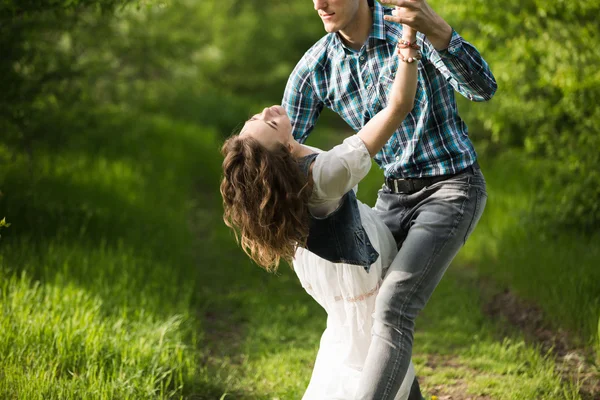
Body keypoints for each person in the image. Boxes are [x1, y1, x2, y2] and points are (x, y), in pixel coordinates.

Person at [282, 0, 496, 398]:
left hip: (452, 187)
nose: (319, 4)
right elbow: (280, 145)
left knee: (393, 309)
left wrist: (437, 29)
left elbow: (483, 89)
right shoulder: (316, 66)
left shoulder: (409, 26)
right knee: (368, 315)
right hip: (392, 195)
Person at [221, 21, 422, 400]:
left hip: (334, 278)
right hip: (356, 279)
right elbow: (398, 108)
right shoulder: (326, 176)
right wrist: (408, 44)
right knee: (377, 366)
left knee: (357, 359)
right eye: (268, 123)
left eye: (256, 116)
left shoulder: (287, 178)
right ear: (280, 154)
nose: (267, 111)